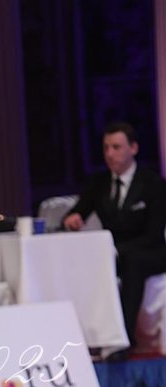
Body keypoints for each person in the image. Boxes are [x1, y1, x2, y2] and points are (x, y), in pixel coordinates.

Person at [63, 122, 166, 356]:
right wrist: (73, 219)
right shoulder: (99, 183)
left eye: (116, 147)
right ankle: (85, 337)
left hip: (153, 252)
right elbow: (78, 211)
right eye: (106, 148)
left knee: (134, 262)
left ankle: (123, 339)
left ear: (133, 148)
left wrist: (118, 251)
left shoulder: (153, 184)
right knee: (85, 262)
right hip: (113, 252)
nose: (110, 154)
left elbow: (153, 235)